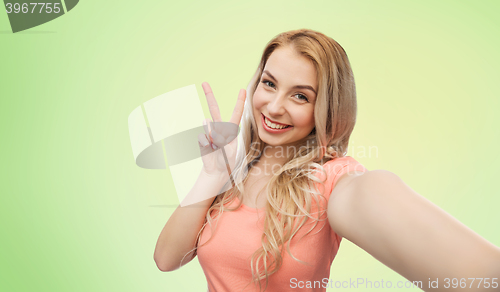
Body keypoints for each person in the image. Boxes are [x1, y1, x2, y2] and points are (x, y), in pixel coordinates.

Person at [153, 29, 500, 292]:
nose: (274, 107)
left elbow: (483, 275)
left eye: (300, 96)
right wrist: (212, 174)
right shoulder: (235, 167)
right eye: (269, 84)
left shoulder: (333, 180)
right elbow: (167, 260)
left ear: (327, 109)